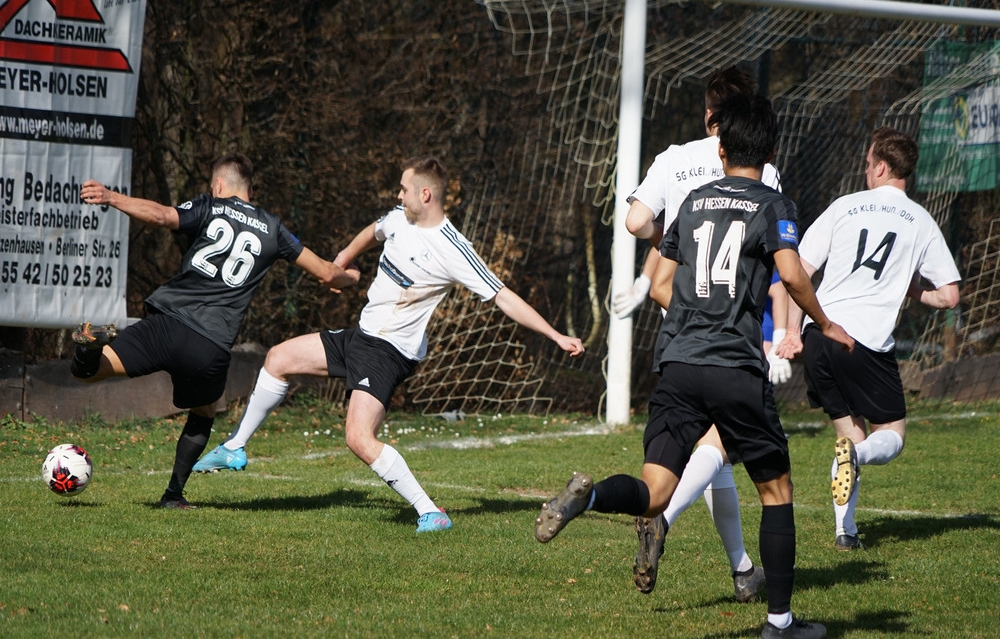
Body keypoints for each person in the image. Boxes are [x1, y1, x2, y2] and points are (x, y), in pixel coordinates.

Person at [535, 93, 854, 639]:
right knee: (776, 491)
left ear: (721, 149)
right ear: (770, 152)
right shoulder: (774, 204)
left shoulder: (693, 202)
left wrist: (693, 317)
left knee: (654, 491)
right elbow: (792, 274)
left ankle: (590, 497)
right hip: (733, 365)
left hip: (678, 361)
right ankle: (779, 623)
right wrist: (824, 325)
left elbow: (661, 282)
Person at [194, 156, 585, 532]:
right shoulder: (400, 218)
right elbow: (374, 230)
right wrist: (343, 259)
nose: (398, 195)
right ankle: (235, 447)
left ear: (425, 194)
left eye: (404, 189)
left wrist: (556, 335)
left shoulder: (452, 247)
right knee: (278, 358)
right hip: (362, 336)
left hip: (389, 352)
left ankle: (430, 512)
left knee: (358, 438)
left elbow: (503, 296)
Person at [70, 153, 360, 509]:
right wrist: (349, 278)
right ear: (250, 189)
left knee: (88, 372)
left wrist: (111, 197)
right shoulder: (273, 228)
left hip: (167, 324)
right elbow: (327, 273)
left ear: (218, 185)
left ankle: (88, 348)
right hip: (209, 345)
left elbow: (161, 216)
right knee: (204, 412)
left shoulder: (210, 206)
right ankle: (173, 495)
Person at [616, 67, 784, 601]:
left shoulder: (673, 158)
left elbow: (636, 222)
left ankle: (742, 570)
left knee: (715, 455)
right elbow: (778, 258)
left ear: (708, 113)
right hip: (732, 331)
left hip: (680, 325)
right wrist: (788, 328)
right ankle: (664, 520)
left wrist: (668, 241)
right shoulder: (761, 170)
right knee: (722, 446)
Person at [777, 126, 960, 551]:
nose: (865, 170)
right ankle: (855, 463)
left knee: (849, 435)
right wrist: (913, 290)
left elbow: (797, 271)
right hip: (864, 341)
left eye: (866, 163)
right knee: (891, 435)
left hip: (820, 334)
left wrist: (791, 331)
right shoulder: (920, 220)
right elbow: (950, 296)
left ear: (880, 167)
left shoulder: (844, 206)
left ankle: (846, 532)